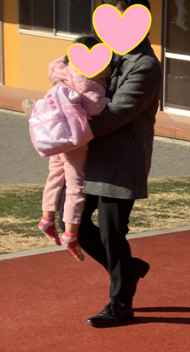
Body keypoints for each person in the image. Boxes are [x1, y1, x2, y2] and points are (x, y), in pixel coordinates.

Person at [78, 0, 162, 328]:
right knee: (75, 224)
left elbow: (116, 114)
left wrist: (67, 131)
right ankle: (128, 270)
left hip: (122, 163)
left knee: (112, 234)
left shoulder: (145, 66)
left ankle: (121, 304)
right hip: (92, 158)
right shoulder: (108, 54)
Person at [30, 37, 113, 261]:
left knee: (55, 175)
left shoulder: (60, 69)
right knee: (76, 184)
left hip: (55, 132)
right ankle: (70, 232)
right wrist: (108, 100)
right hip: (72, 138)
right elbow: (94, 106)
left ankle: (47, 218)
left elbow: (58, 63)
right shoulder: (88, 82)